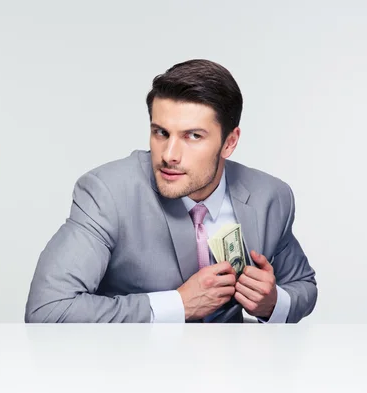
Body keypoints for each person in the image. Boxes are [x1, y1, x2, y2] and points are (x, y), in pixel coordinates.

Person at [25, 59, 317, 323]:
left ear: (229, 142)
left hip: (231, 375)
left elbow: (303, 286)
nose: (169, 155)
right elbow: (48, 308)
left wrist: (273, 303)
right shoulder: (108, 193)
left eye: (193, 136)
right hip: (129, 371)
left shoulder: (270, 197)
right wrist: (178, 305)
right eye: (160, 133)